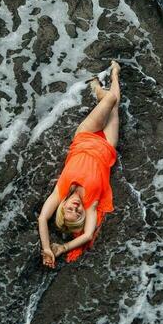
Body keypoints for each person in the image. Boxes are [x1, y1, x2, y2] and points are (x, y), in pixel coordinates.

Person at [38, 61, 120, 268]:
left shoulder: (60, 191)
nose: (75, 209)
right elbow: (88, 234)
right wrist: (62, 249)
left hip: (85, 136)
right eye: (78, 214)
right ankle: (115, 73)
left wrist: (47, 246)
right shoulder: (90, 204)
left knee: (110, 98)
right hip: (107, 147)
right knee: (115, 103)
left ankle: (98, 90)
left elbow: (42, 219)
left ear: (62, 207)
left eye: (69, 212)